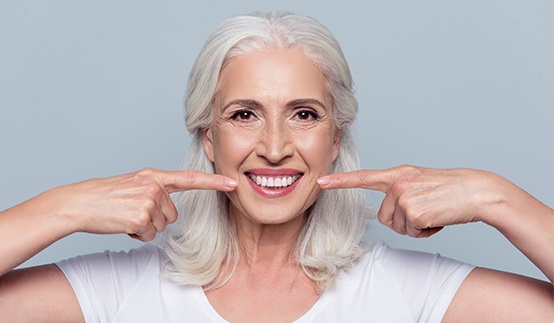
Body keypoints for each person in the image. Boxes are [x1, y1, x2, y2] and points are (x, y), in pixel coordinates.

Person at [0, 11, 552, 322]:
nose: (273, 146)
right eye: (244, 115)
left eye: (304, 114)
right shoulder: (118, 290)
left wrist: (495, 198)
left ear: (336, 138)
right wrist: (63, 207)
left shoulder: (411, 291)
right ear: (207, 137)